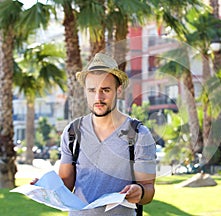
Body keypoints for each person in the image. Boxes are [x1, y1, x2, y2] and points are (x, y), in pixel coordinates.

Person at [33, 53, 156, 216]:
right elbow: (66, 184)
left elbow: (148, 188)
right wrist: (46, 187)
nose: (98, 98)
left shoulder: (139, 134)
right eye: (92, 90)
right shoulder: (73, 133)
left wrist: (139, 191)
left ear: (118, 90)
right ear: (86, 91)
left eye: (105, 90)